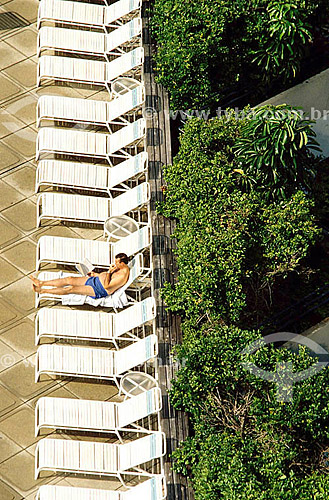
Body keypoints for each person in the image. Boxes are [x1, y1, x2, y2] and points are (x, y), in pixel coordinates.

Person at [30, 253, 130, 299]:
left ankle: (42, 291)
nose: (115, 264)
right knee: (69, 279)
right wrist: (96, 274)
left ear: (123, 263)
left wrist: (108, 272)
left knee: (71, 288)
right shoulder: (119, 268)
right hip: (95, 279)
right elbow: (106, 278)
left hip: (98, 289)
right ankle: (41, 283)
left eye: (117, 262)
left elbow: (107, 286)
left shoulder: (122, 276)